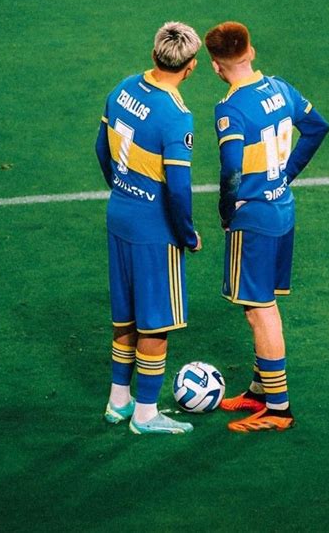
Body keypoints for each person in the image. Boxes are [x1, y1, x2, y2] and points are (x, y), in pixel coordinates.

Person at [204, 21, 329, 433]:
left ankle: (278, 408)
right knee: (258, 304)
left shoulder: (231, 109)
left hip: (254, 220)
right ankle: (261, 390)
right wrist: (287, 174)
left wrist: (227, 211)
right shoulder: (280, 88)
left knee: (261, 311)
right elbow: (317, 127)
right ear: (251, 51)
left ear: (215, 66)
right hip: (282, 211)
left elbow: (231, 170)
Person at [95, 21, 202, 435]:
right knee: (154, 323)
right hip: (153, 229)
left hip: (119, 214)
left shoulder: (121, 89)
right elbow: (178, 189)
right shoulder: (176, 117)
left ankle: (117, 401)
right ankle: (144, 413)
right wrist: (187, 234)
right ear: (190, 67)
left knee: (125, 317)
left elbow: (101, 149)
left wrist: (122, 189)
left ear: (153, 54)